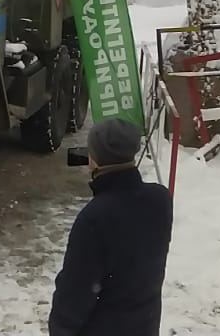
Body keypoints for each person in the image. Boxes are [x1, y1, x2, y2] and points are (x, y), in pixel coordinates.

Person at [48, 118, 173, 336]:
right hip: (144, 326)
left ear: (93, 161)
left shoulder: (94, 218)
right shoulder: (160, 199)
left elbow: (75, 294)